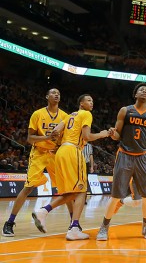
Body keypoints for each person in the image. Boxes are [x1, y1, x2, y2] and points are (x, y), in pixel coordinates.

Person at [31, 94, 110, 240]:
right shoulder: (86, 114)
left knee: (73, 192)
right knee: (81, 190)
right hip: (73, 151)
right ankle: (67, 224)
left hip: (61, 152)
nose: (92, 102)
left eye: (93, 100)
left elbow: (55, 133)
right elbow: (87, 137)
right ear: (81, 103)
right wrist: (102, 134)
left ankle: (63, 221)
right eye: (89, 100)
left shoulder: (68, 116)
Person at [96, 83, 146, 241]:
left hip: (142, 157)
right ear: (136, 94)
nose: (144, 91)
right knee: (115, 196)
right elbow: (118, 135)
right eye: (141, 89)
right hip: (125, 155)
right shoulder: (125, 110)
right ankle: (104, 227)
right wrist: (113, 135)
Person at [2, 88, 69, 237]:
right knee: (28, 188)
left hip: (55, 155)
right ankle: (9, 222)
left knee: (66, 190)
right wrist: (47, 137)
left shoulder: (64, 116)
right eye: (53, 92)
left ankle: (74, 225)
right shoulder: (38, 114)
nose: (56, 94)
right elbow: (30, 138)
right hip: (38, 153)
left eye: (58, 93)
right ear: (47, 96)